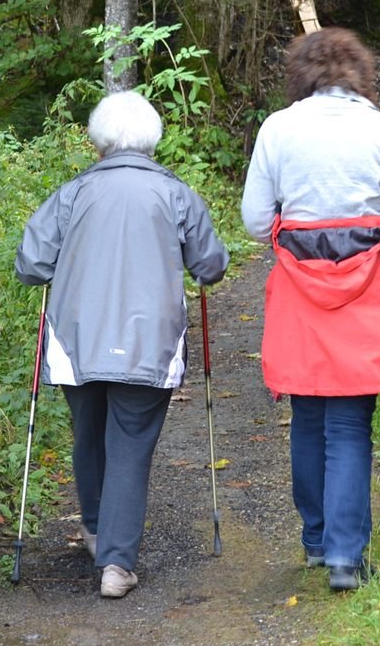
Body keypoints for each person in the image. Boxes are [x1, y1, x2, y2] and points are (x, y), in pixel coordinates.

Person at [14, 90, 229, 599]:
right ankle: (116, 564)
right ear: (152, 139)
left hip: (76, 339)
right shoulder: (176, 193)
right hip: (147, 342)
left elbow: (31, 265)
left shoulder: (71, 193)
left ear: (99, 140)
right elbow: (211, 266)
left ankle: (94, 529)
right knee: (130, 443)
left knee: (88, 433)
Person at [241, 27, 380, 593]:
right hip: (367, 291)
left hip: (300, 290)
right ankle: (346, 557)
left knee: (308, 415)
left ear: (303, 74)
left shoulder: (278, 128)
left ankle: (319, 541)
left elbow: (254, 220)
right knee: (349, 424)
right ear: (358, 74)